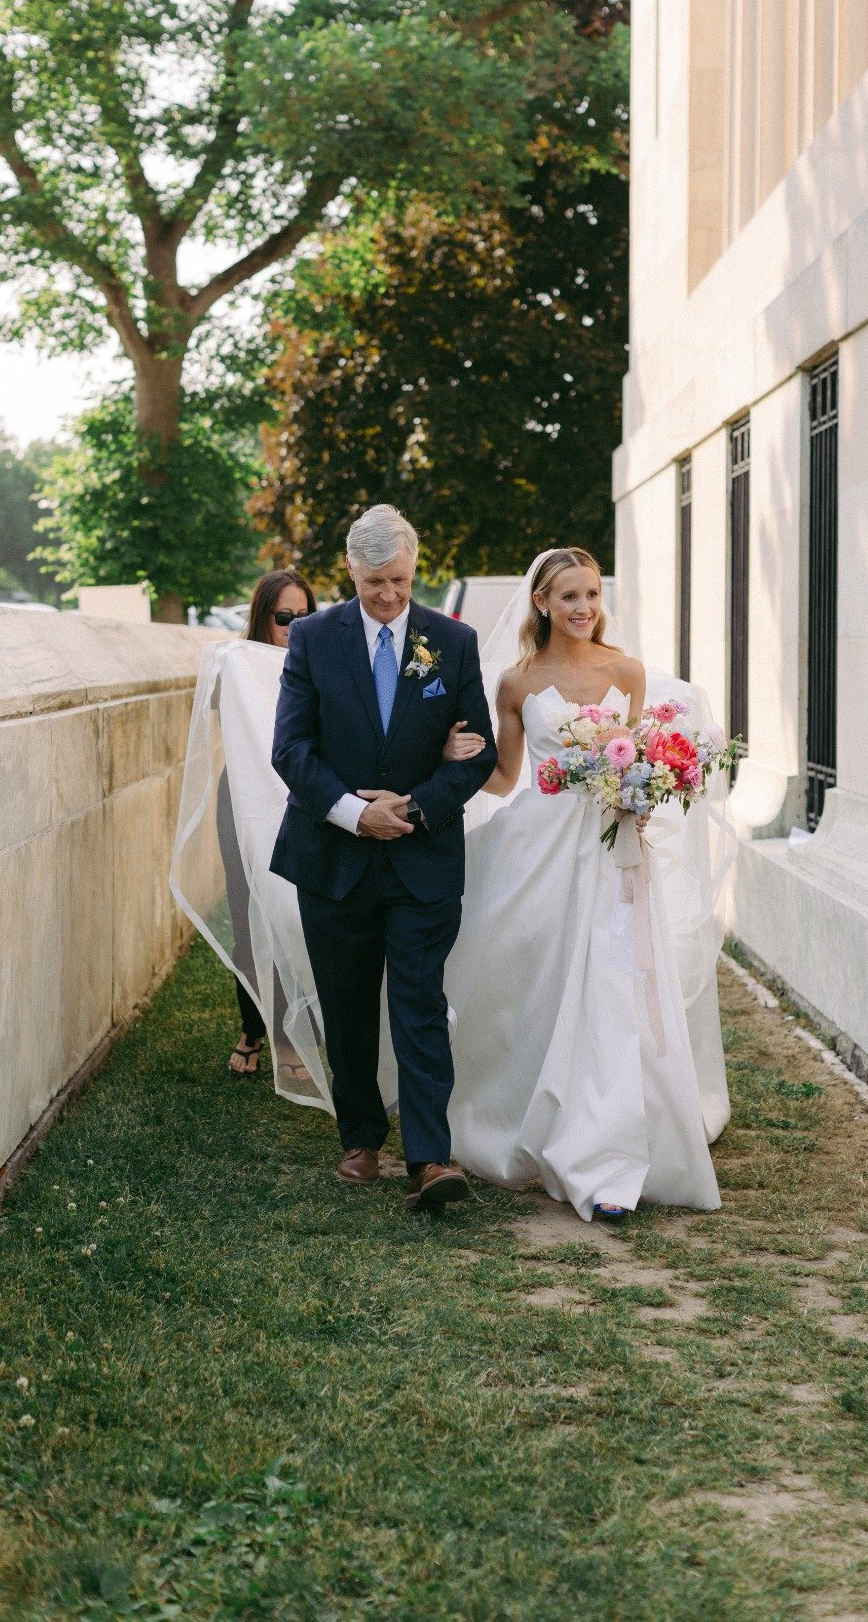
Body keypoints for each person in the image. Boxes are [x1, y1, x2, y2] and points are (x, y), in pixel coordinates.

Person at [440, 548, 729, 1221]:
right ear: (541, 602)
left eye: (592, 595)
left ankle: (609, 1154)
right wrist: (456, 754)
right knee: (540, 986)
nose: (583, 608)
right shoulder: (515, 683)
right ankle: (537, 1120)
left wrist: (647, 791)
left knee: (614, 989)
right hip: (538, 853)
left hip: (610, 851)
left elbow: (632, 756)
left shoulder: (624, 672)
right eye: (569, 596)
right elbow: (508, 779)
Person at [268, 505, 498, 1213]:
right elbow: (291, 750)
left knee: (420, 1002)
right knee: (346, 1002)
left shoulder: (452, 642)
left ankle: (430, 1158)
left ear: (414, 568)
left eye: (399, 580)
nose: (389, 596)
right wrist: (354, 812)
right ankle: (360, 1138)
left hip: (423, 856)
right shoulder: (311, 638)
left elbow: (479, 748)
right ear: (351, 571)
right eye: (374, 583)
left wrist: (418, 805)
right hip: (333, 856)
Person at [223, 569, 318, 1077]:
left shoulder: (323, 664)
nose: (295, 627)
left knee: (297, 912)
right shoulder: (238, 664)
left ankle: (298, 1024)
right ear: (264, 618)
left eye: (306, 616)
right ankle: (255, 1027)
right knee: (248, 912)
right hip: (244, 796)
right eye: (285, 618)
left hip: (302, 796)